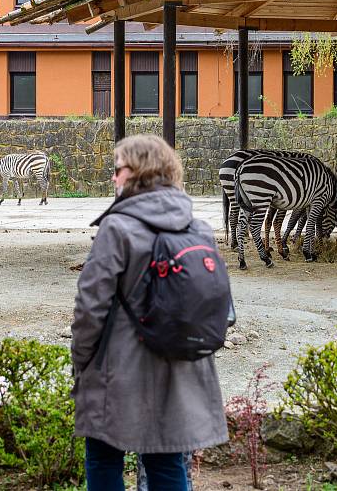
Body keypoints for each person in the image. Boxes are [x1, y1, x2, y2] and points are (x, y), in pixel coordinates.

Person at [72, 135, 228, 491]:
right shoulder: (198, 226)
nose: (113, 178)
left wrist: (82, 361)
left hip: (119, 367)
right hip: (182, 364)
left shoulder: (118, 228)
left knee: (103, 457)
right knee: (168, 459)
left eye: (118, 169)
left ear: (138, 172)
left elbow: (90, 305)